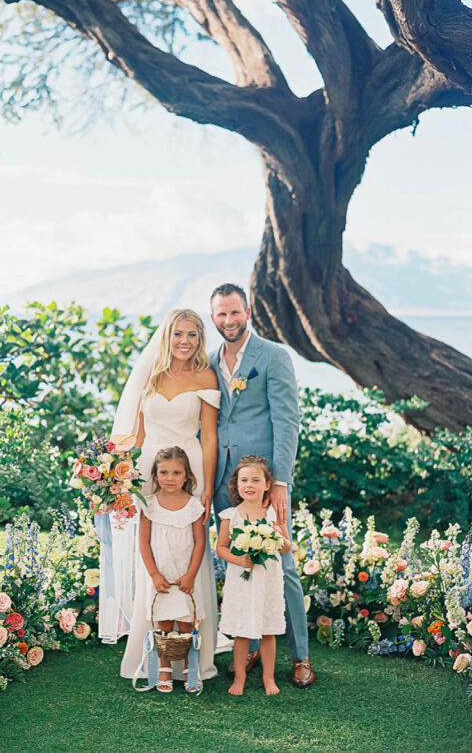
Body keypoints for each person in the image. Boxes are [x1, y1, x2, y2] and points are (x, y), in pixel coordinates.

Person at [209, 285, 311, 688]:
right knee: (238, 566)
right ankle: (249, 645)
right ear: (213, 317)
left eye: (234, 312)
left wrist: (280, 481)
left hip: (263, 481)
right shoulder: (209, 361)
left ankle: (300, 656)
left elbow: (288, 421)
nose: (229, 321)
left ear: (247, 311)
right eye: (220, 315)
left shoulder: (273, 356)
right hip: (223, 480)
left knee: (281, 565)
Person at [113, 308, 220, 684]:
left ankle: (192, 656)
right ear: (167, 336)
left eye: (192, 334)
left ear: (199, 339)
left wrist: (207, 485)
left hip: (187, 466)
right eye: (178, 334)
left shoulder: (206, 376)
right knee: (153, 548)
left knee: (188, 544)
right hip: (149, 471)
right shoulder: (151, 377)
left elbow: (209, 435)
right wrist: (115, 472)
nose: (185, 341)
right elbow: (137, 438)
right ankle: (153, 652)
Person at [134, 447, 208, 693]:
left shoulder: (194, 506)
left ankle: (191, 668)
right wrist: (154, 574)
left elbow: (200, 543)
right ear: (155, 475)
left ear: (186, 476)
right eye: (164, 472)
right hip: (161, 576)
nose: (170, 477)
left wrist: (191, 575)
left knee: (187, 625)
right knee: (163, 625)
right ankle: (163, 668)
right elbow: (143, 542)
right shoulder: (149, 506)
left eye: (176, 472)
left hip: (185, 575)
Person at [217, 455, 292, 696]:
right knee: (241, 631)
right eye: (244, 480)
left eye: (256, 480)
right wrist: (238, 559)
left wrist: (280, 535)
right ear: (236, 485)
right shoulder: (231, 515)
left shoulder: (273, 514)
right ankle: (239, 677)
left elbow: (286, 548)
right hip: (241, 580)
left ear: (267, 485)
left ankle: (268, 678)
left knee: (267, 630)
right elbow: (221, 548)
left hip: (268, 580)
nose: (249, 485)